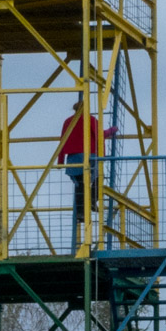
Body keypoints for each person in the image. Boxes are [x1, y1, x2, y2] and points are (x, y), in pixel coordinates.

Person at [55, 98, 113, 250]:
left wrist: (60, 161)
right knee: (97, 179)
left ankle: (80, 212)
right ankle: (93, 202)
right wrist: (113, 130)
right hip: (89, 155)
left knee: (80, 184)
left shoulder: (68, 121)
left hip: (73, 157)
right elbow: (101, 135)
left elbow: (62, 141)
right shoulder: (90, 119)